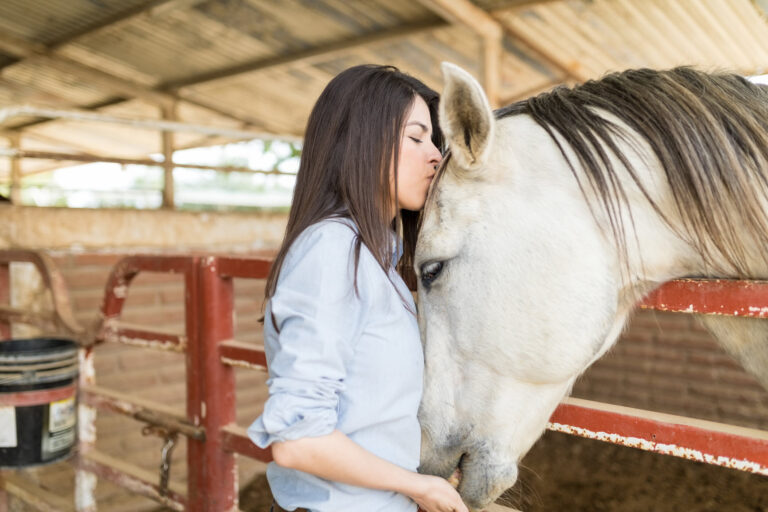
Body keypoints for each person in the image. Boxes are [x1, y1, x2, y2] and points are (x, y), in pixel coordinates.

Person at [247, 64, 468, 512]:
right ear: (364, 141)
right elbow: (298, 439)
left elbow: (370, 413)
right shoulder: (332, 250)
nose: (435, 156)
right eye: (416, 138)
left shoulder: (377, 260)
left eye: (433, 141)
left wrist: (420, 473)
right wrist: (417, 485)